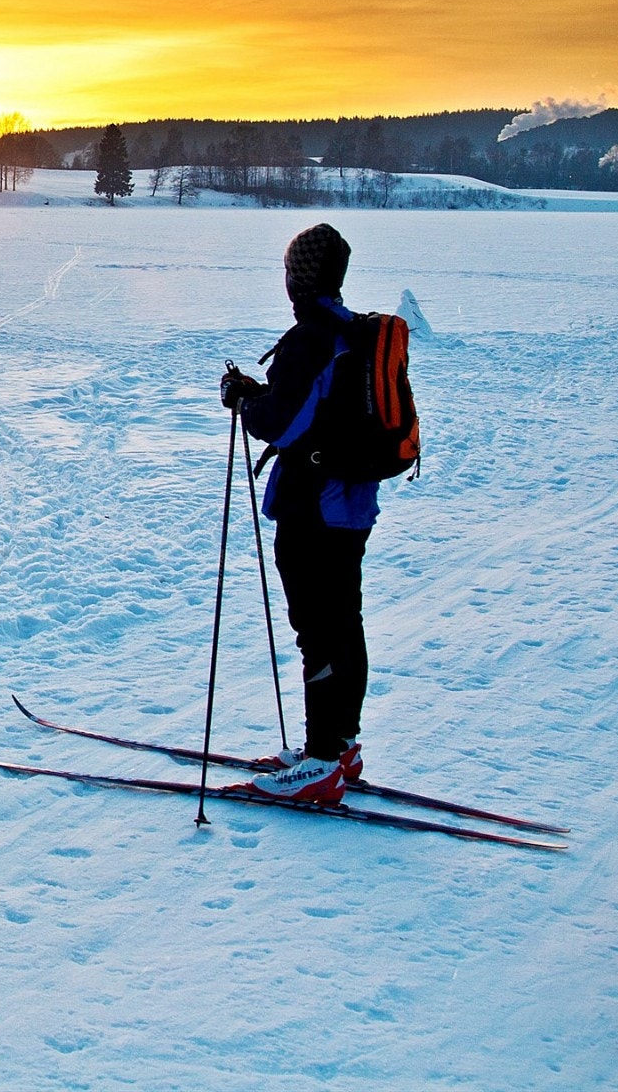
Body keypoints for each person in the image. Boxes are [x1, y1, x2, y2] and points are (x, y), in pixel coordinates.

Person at [219, 222, 376, 806]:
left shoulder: (310, 339)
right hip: (351, 503)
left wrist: (246, 401)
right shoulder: (348, 332)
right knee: (342, 624)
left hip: (317, 508)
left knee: (320, 631)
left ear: (300, 277)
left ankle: (322, 761)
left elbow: (281, 422)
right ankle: (341, 746)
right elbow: (314, 410)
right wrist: (262, 392)